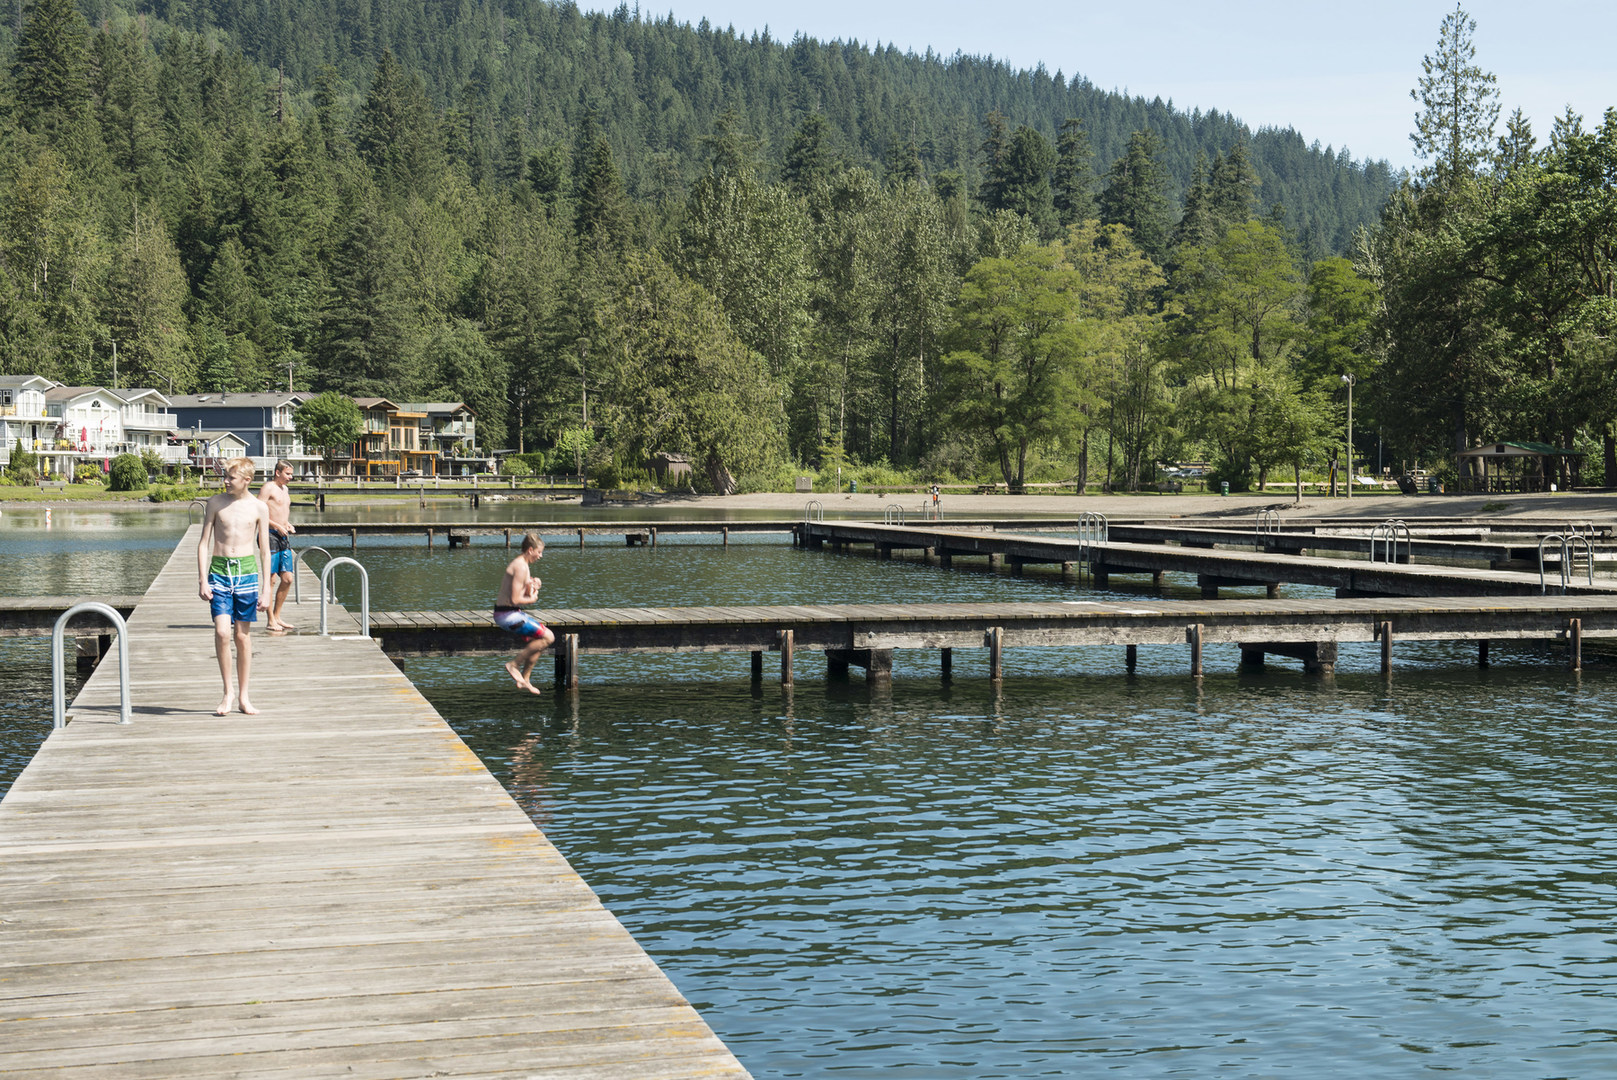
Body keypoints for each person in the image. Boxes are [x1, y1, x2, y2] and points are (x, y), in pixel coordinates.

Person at [198, 457, 271, 715]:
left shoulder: (259, 507)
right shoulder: (215, 503)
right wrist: (202, 579)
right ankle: (227, 692)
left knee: (242, 636)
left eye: (231, 478)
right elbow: (203, 543)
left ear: (247, 480)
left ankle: (244, 696)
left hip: (247, 574)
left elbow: (264, 551)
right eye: (225, 477)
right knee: (222, 633)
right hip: (219, 572)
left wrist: (266, 589)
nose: (226, 481)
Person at [494, 533, 555, 695]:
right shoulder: (520, 566)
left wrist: (533, 586)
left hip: (511, 613)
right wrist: (533, 598)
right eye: (539, 552)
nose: (540, 556)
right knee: (549, 637)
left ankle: (526, 679)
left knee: (541, 641)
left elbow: (521, 593)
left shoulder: (523, 566)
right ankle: (514, 664)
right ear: (530, 550)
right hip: (507, 615)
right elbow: (515, 599)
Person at [259, 459, 297, 631]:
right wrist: (276, 525)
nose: (291, 477)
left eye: (291, 474)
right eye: (287, 473)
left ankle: (277, 616)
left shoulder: (285, 489)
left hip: (283, 536)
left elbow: (281, 511)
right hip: (269, 535)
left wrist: (287, 524)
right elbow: (257, 511)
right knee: (272, 579)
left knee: (288, 578)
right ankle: (270, 620)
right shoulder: (268, 487)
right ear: (278, 472)